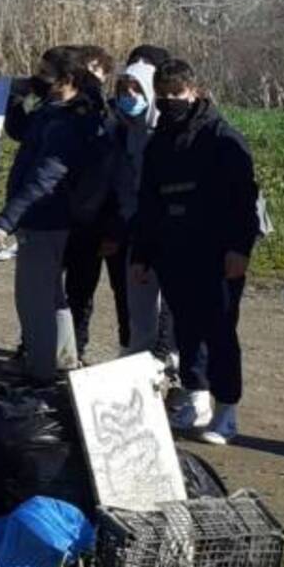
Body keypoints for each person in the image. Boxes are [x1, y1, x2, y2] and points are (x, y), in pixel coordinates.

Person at [128, 60, 261, 445]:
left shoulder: (222, 137)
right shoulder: (159, 142)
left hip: (217, 249)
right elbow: (148, 202)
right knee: (185, 327)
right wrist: (143, 254)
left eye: (178, 94)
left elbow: (244, 201)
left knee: (219, 329)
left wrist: (239, 249)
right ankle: (196, 395)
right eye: (163, 95)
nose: (171, 102)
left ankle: (227, 410)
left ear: (195, 92)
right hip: (174, 247)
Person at [0, 47, 102, 382]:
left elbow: (43, 180)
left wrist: (5, 222)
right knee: (51, 294)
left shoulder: (69, 123)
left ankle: (40, 373)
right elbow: (24, 131)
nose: (37, 77)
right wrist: (15, 101)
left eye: (45, 73)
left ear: (67, 80)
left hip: (46, 218)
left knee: (34, 301)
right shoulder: (55, 110)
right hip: (49, 218)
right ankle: (63, 361)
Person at [107, 52, 176, 361]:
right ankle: (138, 358)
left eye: (137, 89)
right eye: (124, 89)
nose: (129, 96)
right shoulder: (126, 128)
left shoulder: (170, 131)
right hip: (138, 227)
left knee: (173, 305)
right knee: (140, 302)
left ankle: (171, 362)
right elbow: (124, 179)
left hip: (170, 227)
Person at [62, 45, 124, 356]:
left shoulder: (109, 118)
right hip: (61, 211)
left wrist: (111, 228)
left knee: (81, 288)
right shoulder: (60, 110)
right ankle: (39, 342)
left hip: (94, 219)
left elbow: (116, 177)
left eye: (95, 73)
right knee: (48, 286)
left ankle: (76, 346)